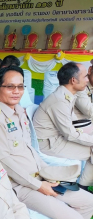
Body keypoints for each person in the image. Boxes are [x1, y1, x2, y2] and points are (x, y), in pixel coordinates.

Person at [0, 65, 93, 219]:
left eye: (20, 86)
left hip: (39, 176)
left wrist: (46, 175)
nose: (16, 91)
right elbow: (5, 163)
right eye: (10, 86)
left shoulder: (20, 112)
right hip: (20, 186)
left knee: (88, 202)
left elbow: (31, 150)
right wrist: (39, 185)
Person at [34, 62, 93, 193]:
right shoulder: (60, 100)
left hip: (56, 139)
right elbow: (70, 134)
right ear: (73, 80)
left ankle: (83, 186)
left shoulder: (66, 95)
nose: (87, 79)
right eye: (85, 77)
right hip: (50, 144)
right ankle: (83, 187)